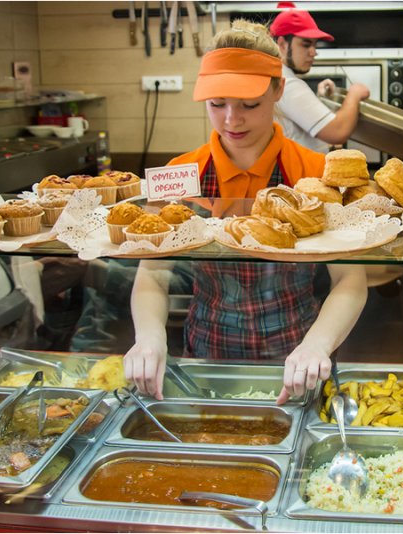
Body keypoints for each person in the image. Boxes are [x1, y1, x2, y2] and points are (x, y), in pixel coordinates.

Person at [123, 20, 368, 405]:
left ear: (278, 91)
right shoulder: (177, 175)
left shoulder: (315, 172)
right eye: (217, 104)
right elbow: (153, 274)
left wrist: (317, 345)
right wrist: (150, 337)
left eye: (249, 105)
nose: (231, 120)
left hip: (297, 352)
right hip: (206, 351)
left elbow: (351, 281)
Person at [269, 9, 370, 153]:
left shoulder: (279, 76)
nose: (313, 52)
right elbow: (338, 131)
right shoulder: (287, 83)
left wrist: (320, 99)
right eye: (306, 44)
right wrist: (354, 93)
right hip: (301, 174)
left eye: (314, 45)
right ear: (282, 44)